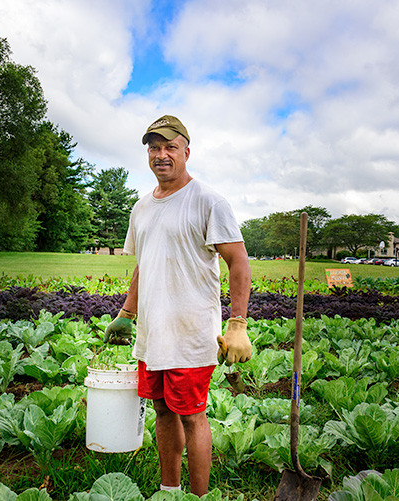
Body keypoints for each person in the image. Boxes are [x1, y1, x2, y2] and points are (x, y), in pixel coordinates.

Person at [104, 115, 252, 496]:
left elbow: (238, 261)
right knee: (162, 410)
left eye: (170, 147)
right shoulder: (141, 207)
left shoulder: (208, 201)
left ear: (187, 151)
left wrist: (238, 323)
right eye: (154, 148)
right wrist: (126, 313)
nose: (161, 155)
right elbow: (145, 265)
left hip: (190, 334)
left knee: (192, 415)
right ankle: (169, 490)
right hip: (153, 334)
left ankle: (199, 495)